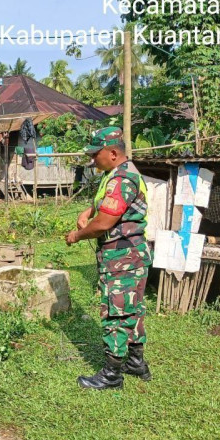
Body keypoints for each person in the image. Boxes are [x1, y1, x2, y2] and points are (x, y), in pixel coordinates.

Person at [64, 127, 152, 390]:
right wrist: (89, 208)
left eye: (96, 154)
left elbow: (104, 223)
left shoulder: (121, 179)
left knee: (116, 312)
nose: (93, 160)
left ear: (113, 153)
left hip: (122, 256)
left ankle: (112, 375)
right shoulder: (117, 175)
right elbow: (106, 204)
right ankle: (135, 362)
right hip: (132, 254)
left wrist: (78, 235)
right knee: (131, 308)